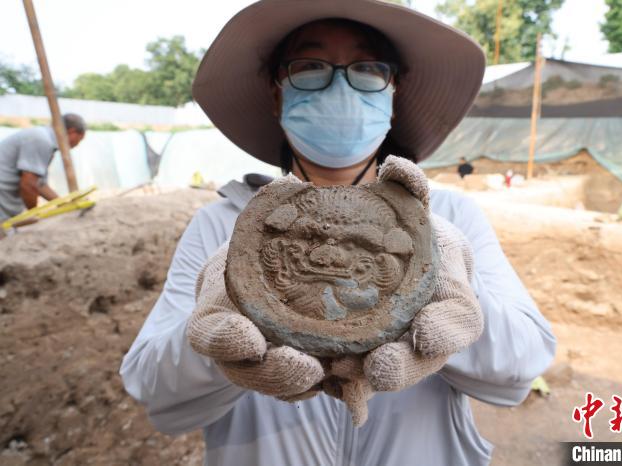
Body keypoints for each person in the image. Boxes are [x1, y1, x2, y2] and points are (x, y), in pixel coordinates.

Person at [120, 1, 556, 465]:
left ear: (393, 89)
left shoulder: (451, 218)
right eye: (310, 67)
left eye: (366, 69)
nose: (340, 85)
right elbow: (154, 393)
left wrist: (438, 270)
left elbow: (519, 372)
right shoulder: (221, 226)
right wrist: (226, 311)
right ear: (276, 92)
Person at [0, 113, 86, 221]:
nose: (77, 144)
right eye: (80, 139)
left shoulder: (44, 139)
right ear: (72, 131)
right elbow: (28, 185)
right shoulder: (41, 140)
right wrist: (35, 215)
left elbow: (39, 184)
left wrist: (64, 205)